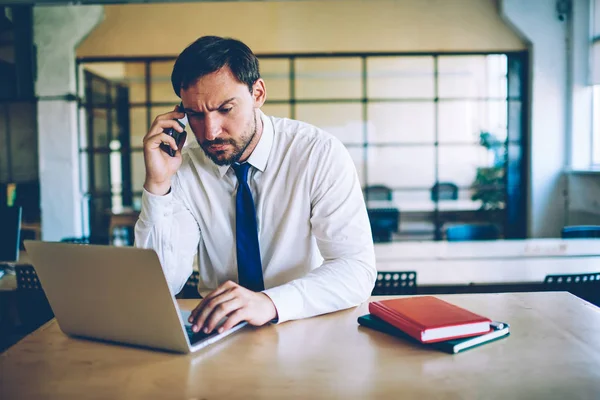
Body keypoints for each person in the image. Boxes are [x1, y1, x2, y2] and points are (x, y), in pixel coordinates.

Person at [135, 35, 376, 336]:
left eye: (225, 109)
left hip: (303, 324)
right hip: (216, 330)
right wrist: (158, 186)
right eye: (196, 114)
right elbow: (162, 285)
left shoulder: (318, 154)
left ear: (258, 94)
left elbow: (355, 269)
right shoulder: (182, 166)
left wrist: (269, 302)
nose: (210, 132)